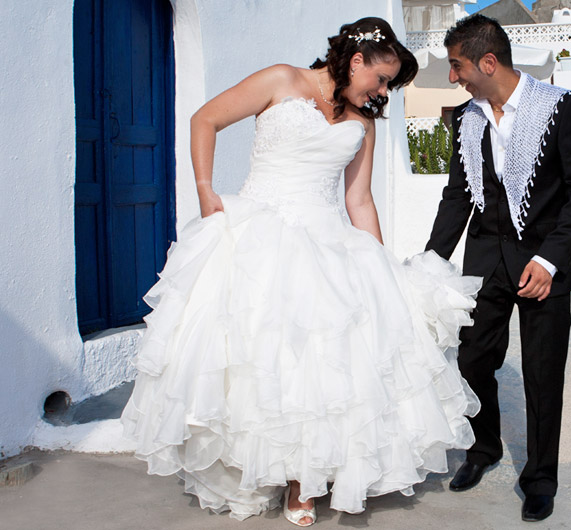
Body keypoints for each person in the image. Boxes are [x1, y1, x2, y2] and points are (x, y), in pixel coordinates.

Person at [121, 17, 481, 527]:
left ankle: (303, 482)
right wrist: (205, 190)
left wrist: (380, 265)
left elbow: (358, 199)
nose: (382, 91)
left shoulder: (365, 123)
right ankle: (256, 467)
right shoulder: (280, 80)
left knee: (321, 365)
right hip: (258, 234)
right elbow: (205, 119)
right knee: (259, 362)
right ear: (356, 60)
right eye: (380, 79)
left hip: (327, 241)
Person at [425, 14, 571, 523]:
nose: (453, 76)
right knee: (473, 360)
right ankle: (484, 450)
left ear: (488, 61)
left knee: (544, 375)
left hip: (544, 265)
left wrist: (550, 259)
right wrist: (431, 261)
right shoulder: (465, 119)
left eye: (457, 66)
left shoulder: (561, 109)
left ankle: (541, 478)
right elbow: (458, 197)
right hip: (485, 261)